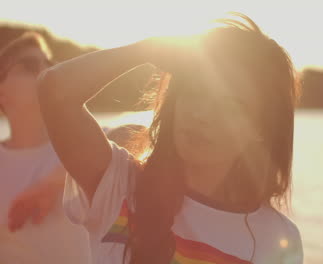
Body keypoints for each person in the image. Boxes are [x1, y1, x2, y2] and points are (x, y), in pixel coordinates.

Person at [38, 13, 303, 264]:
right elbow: (55, 90)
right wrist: (148, 50)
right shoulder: (120, 185)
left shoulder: (277, 238)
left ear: (260, 128)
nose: (202, 115)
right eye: (196, 93)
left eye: (231, 106)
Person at [0, 32, 90, 263]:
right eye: (29, 66)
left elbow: (135, 138)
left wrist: (51, 182)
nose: (46, 73)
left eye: (51, 65)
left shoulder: (85, 141)